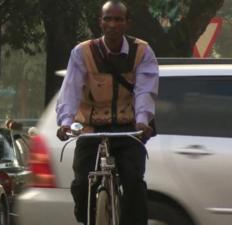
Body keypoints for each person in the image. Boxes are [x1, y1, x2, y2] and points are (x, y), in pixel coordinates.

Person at [55, 1, 159, 225]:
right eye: (107, 19)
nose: (113, 24)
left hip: (128, 128)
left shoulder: (142, 51)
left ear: (127, 23)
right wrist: (65, 122)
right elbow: (71, 89)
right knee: (82, 184)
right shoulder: (83, 52)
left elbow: (145, 90)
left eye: (118, 19)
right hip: (91, 128)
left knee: (133, 183)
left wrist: (142, 121)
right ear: (100, 22)